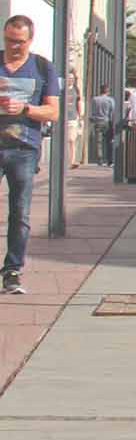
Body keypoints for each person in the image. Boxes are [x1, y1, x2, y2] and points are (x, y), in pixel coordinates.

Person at [0, 16, 62, 295]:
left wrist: (24, 109)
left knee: (20, 213)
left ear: (30, 40)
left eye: (19, 42)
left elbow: (53, 112)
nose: (13, 46)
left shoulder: (42, 67)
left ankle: (12, 271)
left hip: (24, 149)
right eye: (9, 40)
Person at [89, 83, 116, 166]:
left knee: (98, 142)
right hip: (107, 122)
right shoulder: (110, 100)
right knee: (109, 142)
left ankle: (100, 160)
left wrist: (93, 119)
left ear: (100, 90)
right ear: (107, 91)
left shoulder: (95, 99)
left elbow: (92, 112)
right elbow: (112, 112)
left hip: (97, 122)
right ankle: (109, 161)